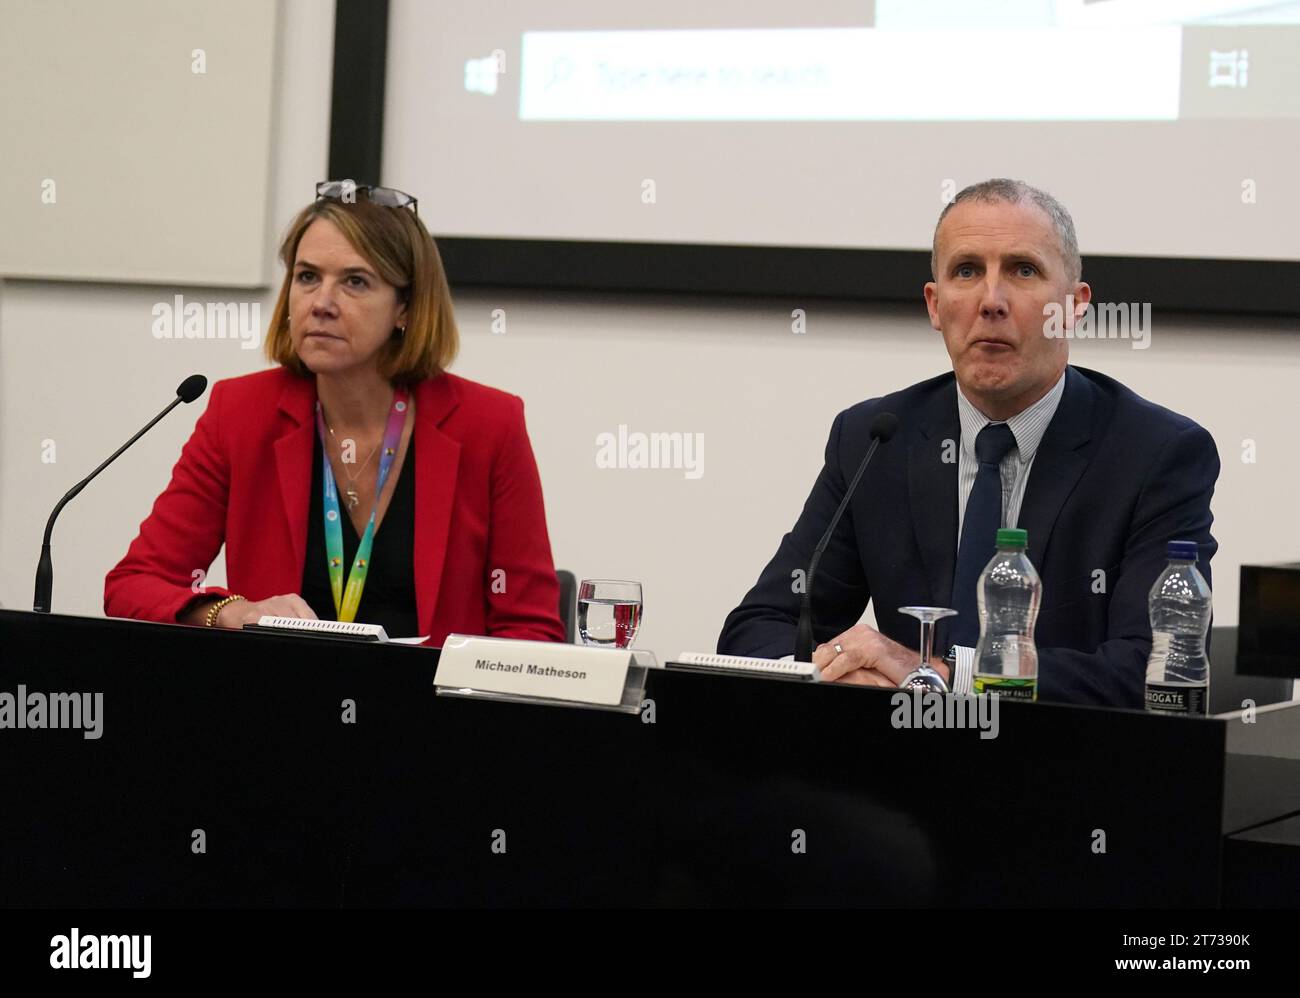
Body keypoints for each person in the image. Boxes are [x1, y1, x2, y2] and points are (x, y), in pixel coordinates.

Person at [717, 179, 1219, 708]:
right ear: (935, 305)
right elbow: (759, 628)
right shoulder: (876, 439)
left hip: (1068, 772)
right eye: (967, 271)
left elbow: (1154, 672)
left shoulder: (1156, 454)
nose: (991, 301)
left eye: (1023, 271)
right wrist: (842, 673)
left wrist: (936, 674)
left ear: (1074, 306)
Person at [105, 181, 566, 645]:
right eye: (307, 277)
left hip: (432, 710)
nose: (321, 304)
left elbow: (531, 631)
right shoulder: (241, 414)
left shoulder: (488, 425)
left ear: (405, 307)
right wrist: (230, 611)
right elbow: (135, 583)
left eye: (355, 281)